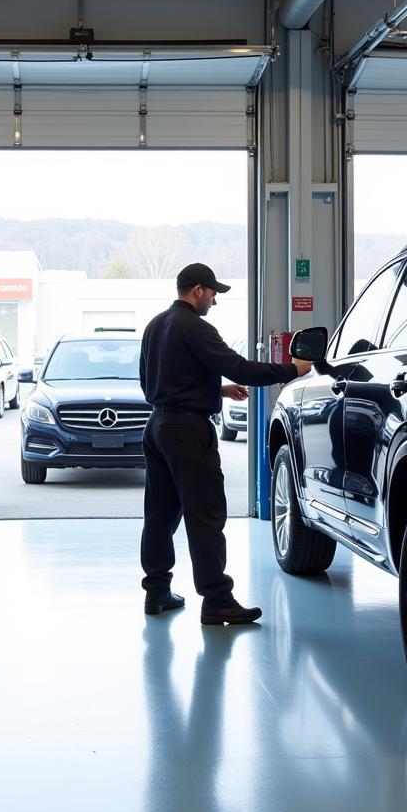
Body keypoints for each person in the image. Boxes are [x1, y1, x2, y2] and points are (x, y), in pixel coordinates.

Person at [138, 262, 311, 625]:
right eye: (213, 293)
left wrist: (216, 390)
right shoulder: (196, 328)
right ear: (198, 290)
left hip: (157, 427)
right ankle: (217, 600)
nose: (214, 301)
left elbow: (154, 381)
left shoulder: (156, 326)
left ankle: (156, 592)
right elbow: (242, 368)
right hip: (188, 431)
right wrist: (293, 369)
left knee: (159, 515)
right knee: (205, 515)